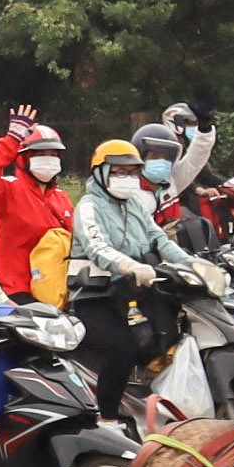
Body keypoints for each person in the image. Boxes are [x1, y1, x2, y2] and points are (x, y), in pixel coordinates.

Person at [68, 136, 194, 423]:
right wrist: (128, 265)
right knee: (121, 345)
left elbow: (159, 239)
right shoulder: (88, 206)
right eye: (117, 172)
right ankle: (107, 417)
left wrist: (193, 264)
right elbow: (97, 247)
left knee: (174, 326)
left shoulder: (135, 205)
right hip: (95, 296)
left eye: (131, 172)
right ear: (100, 173)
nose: (126, 178)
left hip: (132, 290)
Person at [0, 114, 72, 304]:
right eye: (41, 154)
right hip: (17, 291)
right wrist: (11, 141)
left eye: (53, 154)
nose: (48, 159)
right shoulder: (9, 192)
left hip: (57, 289)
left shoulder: (62, 198)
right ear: (23, 158)